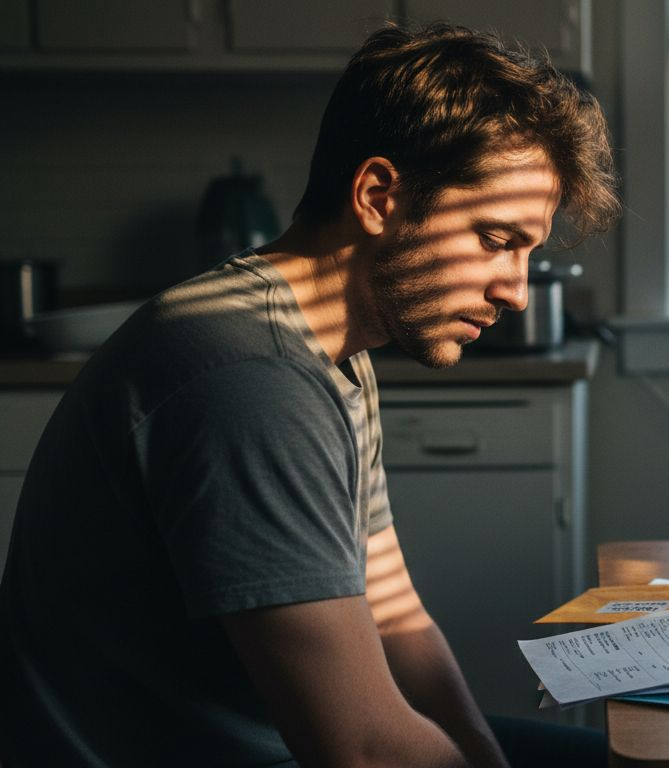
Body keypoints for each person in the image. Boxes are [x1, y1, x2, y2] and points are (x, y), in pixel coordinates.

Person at [0, 23, 619, 768]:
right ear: (379, 195)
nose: (517, 292)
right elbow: (358, 750)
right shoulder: (250, 377)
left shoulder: (331, 345)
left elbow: (397, 618)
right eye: (495, 240)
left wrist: (486, 758)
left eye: (528, 251)